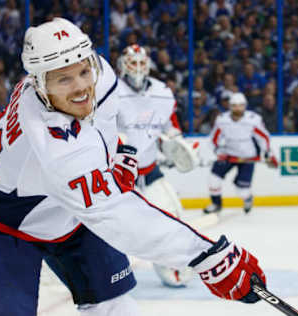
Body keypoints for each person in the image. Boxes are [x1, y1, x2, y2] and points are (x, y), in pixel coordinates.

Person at [0, 18, 266, 316]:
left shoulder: (100, 75)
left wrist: (118, 152)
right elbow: (120, 216)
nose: (81, 87)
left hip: (66, 212)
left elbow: (108, 119)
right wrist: (210, 257)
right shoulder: (58, 148)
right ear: (40, 85)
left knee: (116, 307)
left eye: (83, 72)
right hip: (2, 220)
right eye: (64, 79)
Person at [116, 44, 209, 287]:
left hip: (149, 171)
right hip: (116, 178)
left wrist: (176, 142)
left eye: (141, 63)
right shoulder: (109, 92)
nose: (137, 68)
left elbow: (170, 124)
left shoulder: (161, 92)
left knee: (171, 220)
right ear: (122, 66)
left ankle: (175, 272)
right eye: (132, 63)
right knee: (111, 229)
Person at [204, 92, 278, 214]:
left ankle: (247, 198)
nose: (237, 109)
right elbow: (213, 139)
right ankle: (216, 204)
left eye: (240, 106)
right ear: (230, 106)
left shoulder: (253, 120)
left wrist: (268, 154)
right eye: (234, 106)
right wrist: (217, 151)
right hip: (228, 155)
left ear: (245, 106)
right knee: (213, 179)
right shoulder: (222, 120)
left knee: (242, 191)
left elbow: (264, 138)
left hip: (247, 157)